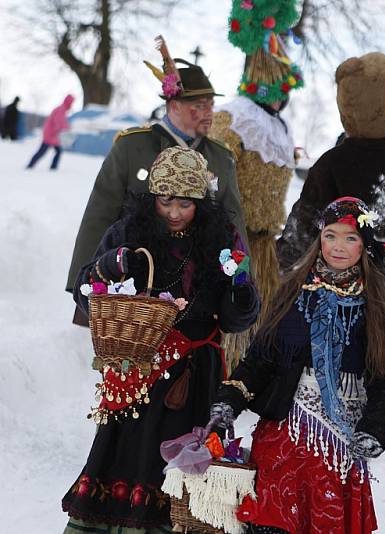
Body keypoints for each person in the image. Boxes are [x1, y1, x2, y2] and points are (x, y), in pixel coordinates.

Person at [62, 146, 261, 532]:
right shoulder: (127, 231)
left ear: (201, 202)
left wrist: (239, 290)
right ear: (152, 197)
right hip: (138, 368)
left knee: (180, 466)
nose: (173, 212)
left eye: (185, 203)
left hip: (195, 374)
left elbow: (238, 320)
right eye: (165, 200)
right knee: (127, 455)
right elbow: (86, 293)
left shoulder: (223, 238)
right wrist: (109, 265)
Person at [213, 197, 385, 534]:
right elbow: (261, 358)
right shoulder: (293, 292)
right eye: (330, 235)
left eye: (350, 238)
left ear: (365, 245)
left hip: (338, 444)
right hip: (283, 431)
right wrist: (229, 400)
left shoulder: (375, 309)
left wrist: (375, 429)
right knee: (271, 522)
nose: (338, 247)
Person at [65, 39, 246, 322]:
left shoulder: (221, 158)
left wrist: (243, 283)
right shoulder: (132, 147)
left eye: (211, 104)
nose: (210, 112)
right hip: (131, 290)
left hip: (196, 298)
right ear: (173, 105)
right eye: (199, 105)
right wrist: (86, 282)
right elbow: (100, 214)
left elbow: (233, 222)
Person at [277, 52, 385, 314]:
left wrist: (280, 258)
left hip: (339, 271)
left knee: (340, 341)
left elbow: (302, 229)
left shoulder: (331, 162)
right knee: (383, 344)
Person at [209, 0, 305, 367]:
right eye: (283, 87)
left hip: (265, 246)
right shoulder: (234, 117)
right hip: (233, 241)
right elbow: (211, 176)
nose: (286, 95)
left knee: (263, 321)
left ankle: (249, 376)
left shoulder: (279, 127)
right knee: (230, 321)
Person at [26, 94, 73, 169]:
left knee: (56, 151)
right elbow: (58, 121)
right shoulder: (61, 109)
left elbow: (61, 121)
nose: (72, 104)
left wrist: (65, 126)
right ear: (69, 102)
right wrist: (67, 127)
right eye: (71, 102)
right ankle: (31, 166)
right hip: (50, 134)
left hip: (52, 134)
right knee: (43, 151)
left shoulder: (62, 109)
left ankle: (34, 165)